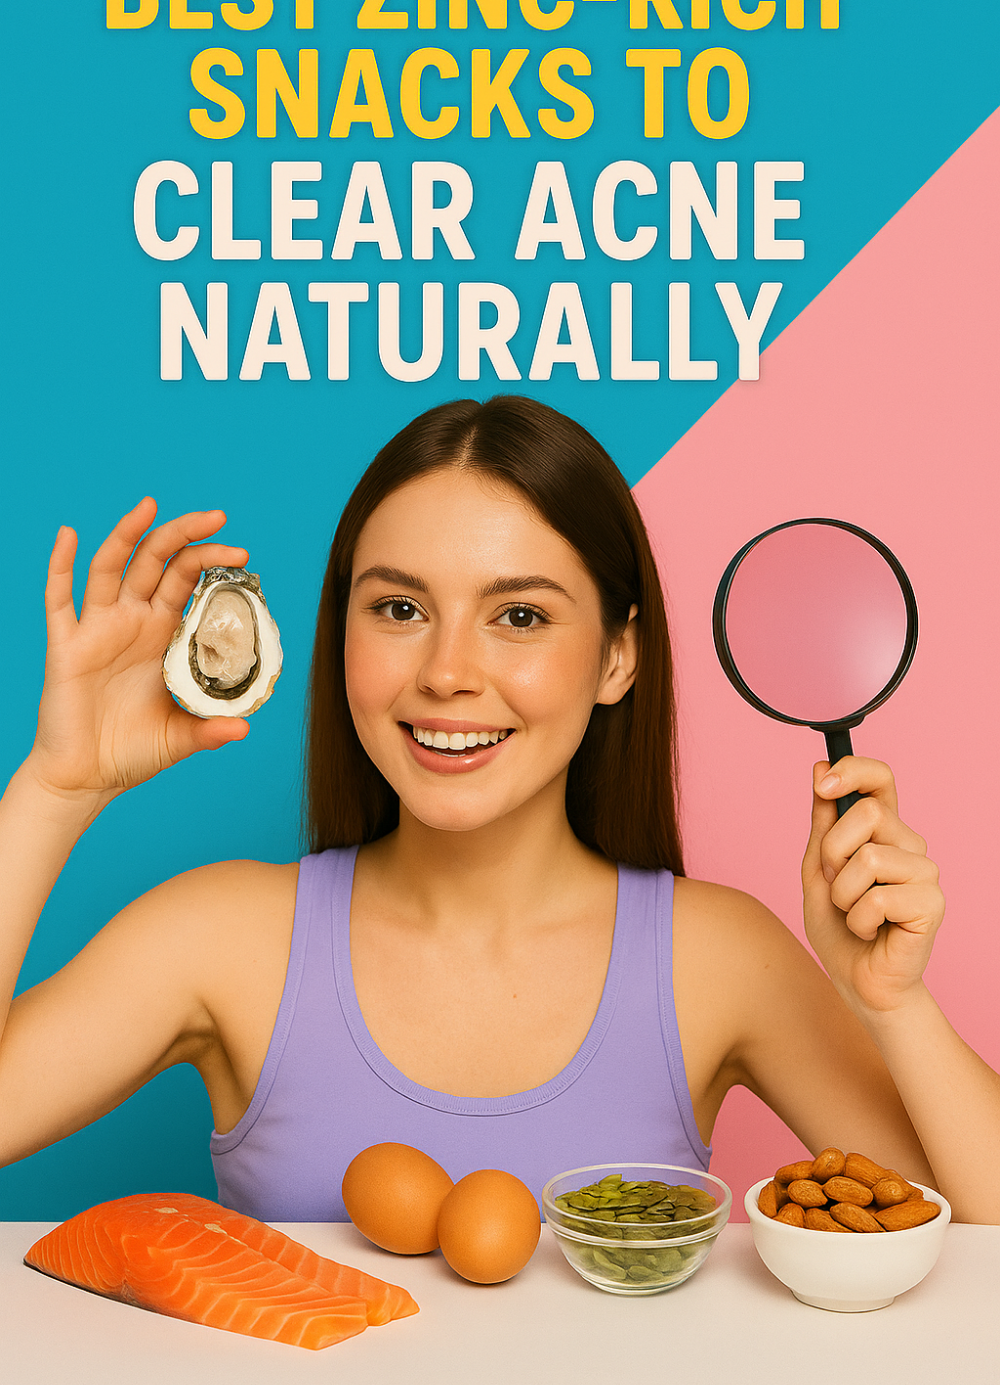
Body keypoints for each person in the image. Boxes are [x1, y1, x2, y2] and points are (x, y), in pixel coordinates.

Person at [1, 397, 997, 1223]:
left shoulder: (718, 959)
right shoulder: (218, 937)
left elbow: (971, 1241)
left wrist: (895, 1006)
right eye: (398, 608)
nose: (446, 672)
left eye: (517, 616)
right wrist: (54, 790)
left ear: (618, 656)